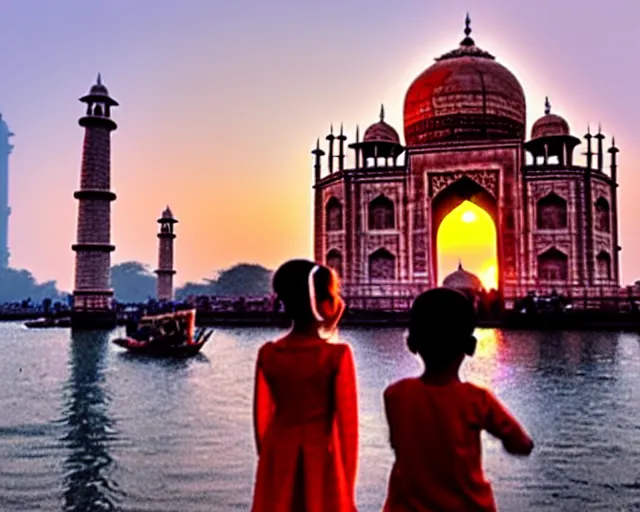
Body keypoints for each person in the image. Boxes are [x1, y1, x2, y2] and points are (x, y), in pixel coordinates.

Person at [382, 287, 534, 512]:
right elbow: (522, 444)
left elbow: (399, 443)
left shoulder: (395, 395)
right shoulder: (477, 400)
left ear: (411, 344)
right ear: (471, 346)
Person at [251, 259, 359, 512]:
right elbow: (348, 429)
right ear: (322, 303)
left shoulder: (269, 353)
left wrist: (269, 460)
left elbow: (262, 419)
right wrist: (347, 491)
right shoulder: (337, 356)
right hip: (322, 455)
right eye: (334, 294)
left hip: (277, 453)